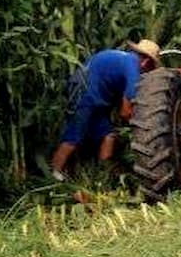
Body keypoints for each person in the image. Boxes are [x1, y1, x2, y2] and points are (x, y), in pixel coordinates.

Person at [49, 39, 161, 180]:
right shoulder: (133, 66)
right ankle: (53, 173)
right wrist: (137, 129)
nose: (147, 71)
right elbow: (125, 110)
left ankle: (103, 175)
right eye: (149, 68)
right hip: (85, 94)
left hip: (97, 100)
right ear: (146, 62)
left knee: (108, 136)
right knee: (73, 137)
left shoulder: (124, 58)